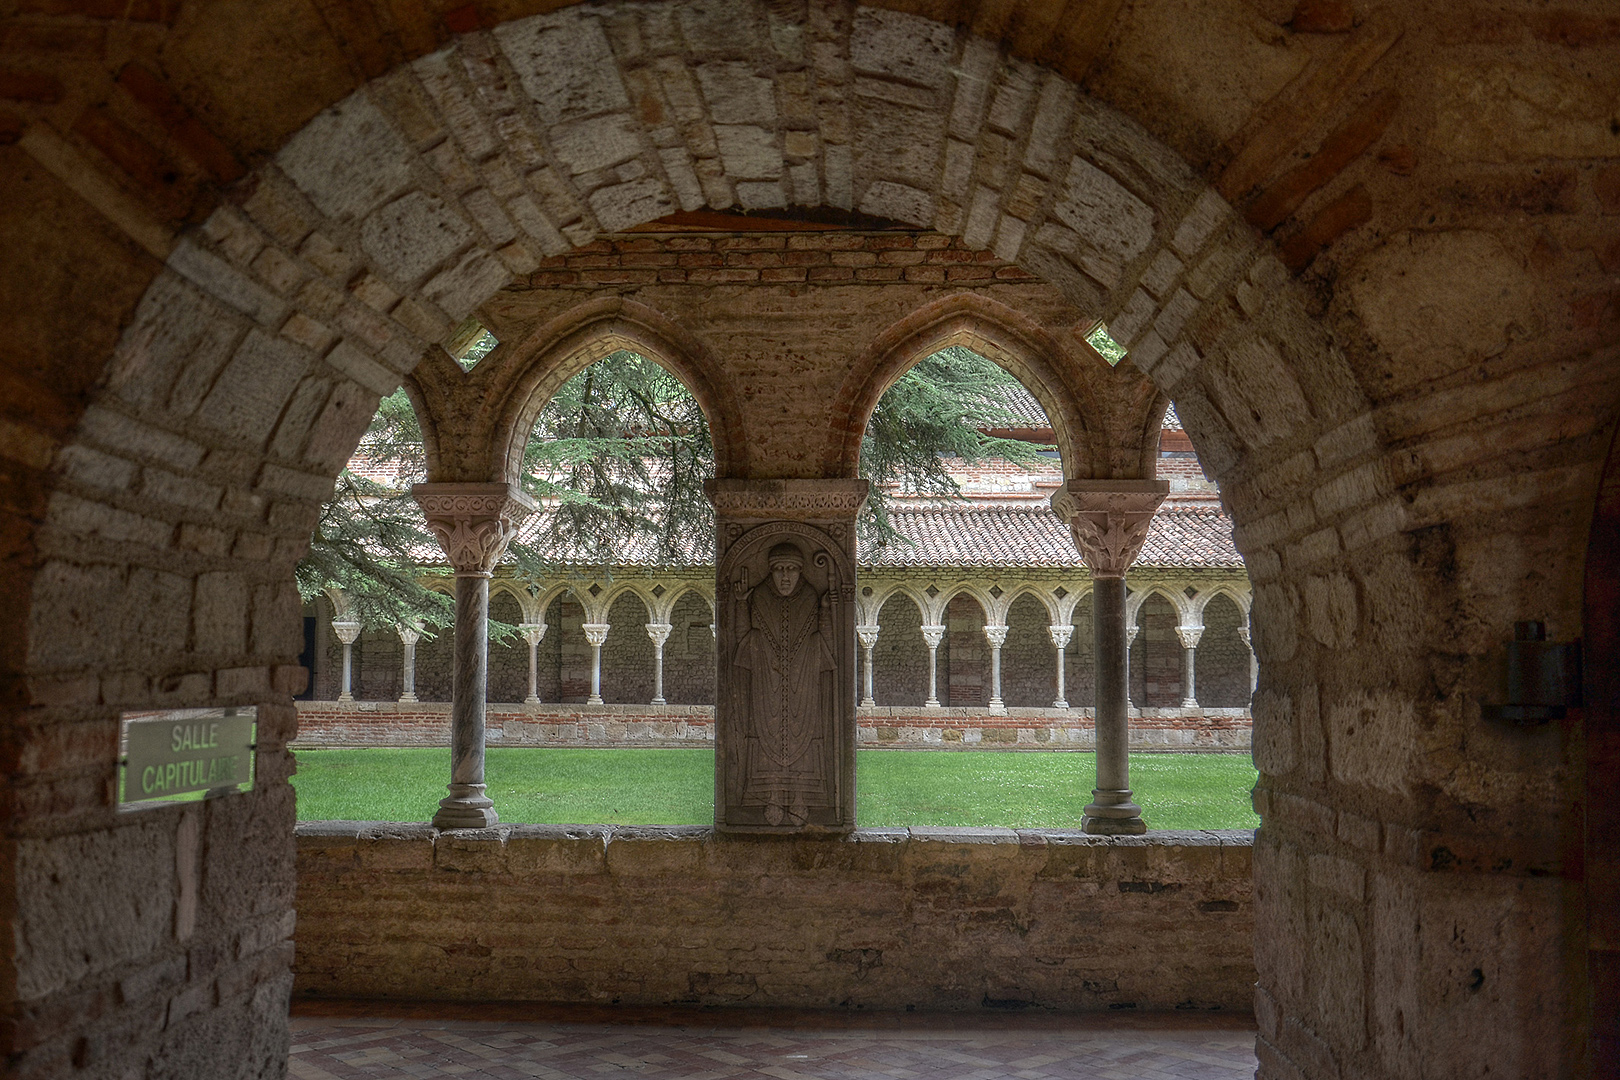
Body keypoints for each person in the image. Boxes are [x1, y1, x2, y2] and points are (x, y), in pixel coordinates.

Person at [730, 541, 836, 825]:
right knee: (766, 734)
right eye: (779, 569)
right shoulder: (760, 597)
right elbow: (746, 640)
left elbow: (821, 641)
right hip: (766, 681)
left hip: (803, 682)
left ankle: (802, 796)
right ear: (770, 572)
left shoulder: (811, 597)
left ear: (801, 572)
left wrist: (825, 611)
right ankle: (771, 796)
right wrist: (740, 603)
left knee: (806, 732)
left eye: (791, 569)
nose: (785, 576)